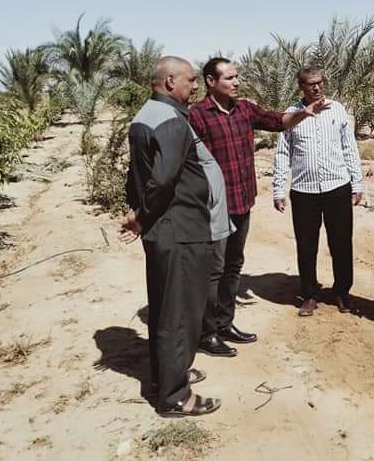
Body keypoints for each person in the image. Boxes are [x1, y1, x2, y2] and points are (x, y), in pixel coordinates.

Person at [188, 57, 329, 356]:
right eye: (230, 78)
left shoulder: (244, 109)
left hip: (242, 201)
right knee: (213, 270)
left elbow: (279, 122)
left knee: (233, 265)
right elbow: (189, 163)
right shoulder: (198, 116)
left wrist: (304, 113)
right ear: (211, 82)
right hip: (215, 207)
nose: (237, 82)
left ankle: (225, 324)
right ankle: (206, 332)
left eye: (237, 77)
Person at [120, 56, 232, 416]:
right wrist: (141, 214)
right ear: (169, 81)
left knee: (165, 307)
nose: (195, 85)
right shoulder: (170, 121)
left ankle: (166, 375)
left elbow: (137, 175)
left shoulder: (146, 115)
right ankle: (175, 397)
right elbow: (163, 179)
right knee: (180, 312)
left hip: (163, 231)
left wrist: (138, 211)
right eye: (190, 80)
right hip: (180, 229)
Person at [272, 67, 364, 317]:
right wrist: (279, 188)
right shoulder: (291, 115)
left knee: (342, 243)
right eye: (311, 84)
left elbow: (350, 148)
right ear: (301, 86)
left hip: (337, 187)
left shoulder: (338, 110)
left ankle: (343, 292)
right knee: (306, 245)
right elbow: (282, 154)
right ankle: (309, 294)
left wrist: (357, 183)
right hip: (304, 191)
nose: (316, 88)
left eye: (320, 83)